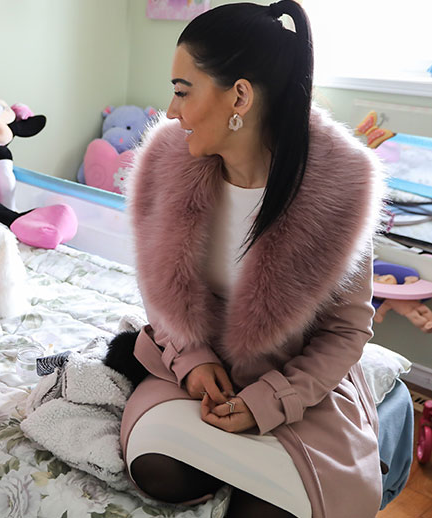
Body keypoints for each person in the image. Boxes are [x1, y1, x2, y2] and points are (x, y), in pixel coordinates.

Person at [119, 2, 385, 517]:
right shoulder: (165, 160)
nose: (170, 112)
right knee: (158, 470)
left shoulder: (339, 186)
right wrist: (192, 361)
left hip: (293, 381)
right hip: (200, 377)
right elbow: (161, 292)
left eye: (182, 91)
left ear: (239, 94)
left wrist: (269, 401)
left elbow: (347, 331)